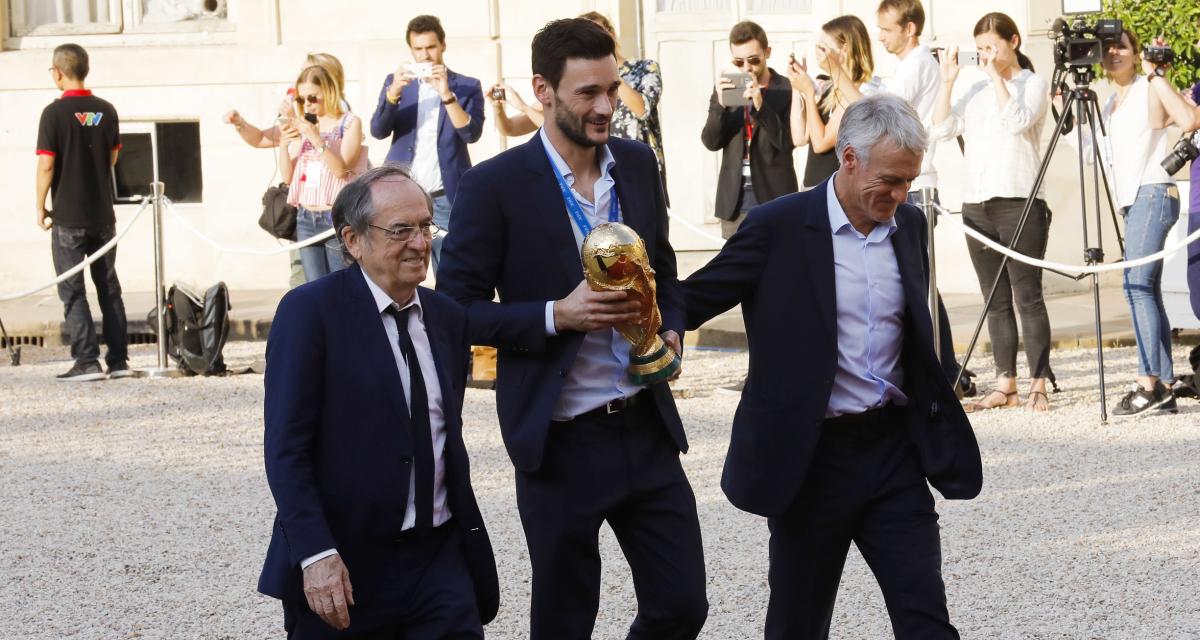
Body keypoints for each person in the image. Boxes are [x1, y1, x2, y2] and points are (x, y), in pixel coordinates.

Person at [438, 18, 708, 640]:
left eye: (611, 89)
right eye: (588, 93)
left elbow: (666, 270)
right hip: (557, 442)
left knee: (682, 606)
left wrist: (671, 329)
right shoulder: (492, 187)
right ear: (544, 90)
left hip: (646, 427)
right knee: (565, 619)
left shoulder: (637, 164)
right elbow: (454, 312)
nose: (606, 106)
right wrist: (556, 314)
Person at [683, 94, 981, 640]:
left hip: (894, 454)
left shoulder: (910, 225)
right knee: (798, 623)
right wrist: (629, 305)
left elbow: (921, 323)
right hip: (812, 461)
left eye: (909, 181)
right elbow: (697, 298)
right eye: (890, 179)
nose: (900, 194)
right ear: (848, 159)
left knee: (927, 620)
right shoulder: (777, 226)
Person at [259, 164, 500, 638]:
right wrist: (316, 554)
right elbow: (287, 449)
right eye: (401, 230)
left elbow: (440, 432)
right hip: (346, 566)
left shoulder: (447, 318)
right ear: (353, 241)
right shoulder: (311, 314)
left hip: (440, 562)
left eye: (425, 226)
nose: (420, 242)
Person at [932, 12, 1053, 412]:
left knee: (1028, 297)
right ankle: (1006, 383)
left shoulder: (1031, 84)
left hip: (1019, 201)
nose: (985, 55)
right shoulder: (975, 88)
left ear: (1013, 41)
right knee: (994, 299)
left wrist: (999, 77)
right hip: (976, 203)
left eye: (992, 47)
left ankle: (1038, 381)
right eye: (980, 48)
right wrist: (949, 79)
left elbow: (1017, 121)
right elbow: (942, 128)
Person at [1084, 30, 1199, 416]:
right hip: (1132, 200)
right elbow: (1092, 156)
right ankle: (1162, 384)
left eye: (1122, 46)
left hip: (1153, 191)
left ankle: (1149, 381)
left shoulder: (1146, 87)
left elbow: (1186, 120)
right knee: (1145, 288)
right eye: (1108, 47)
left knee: (1136, 287)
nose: (1113, 53)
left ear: (1136, 54)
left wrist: (1155, 73)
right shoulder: (1108, 103)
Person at [873, 0, 960, 383]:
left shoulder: (918, 64)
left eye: (888, 29)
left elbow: (883, 114)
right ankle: (939, 365)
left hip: (917, 187)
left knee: (917, 279)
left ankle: (942, 367)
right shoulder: (905, 67)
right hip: (909, 184)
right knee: (913, 278)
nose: (881, 37)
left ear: (909, 28)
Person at [35, 43, 130, 382]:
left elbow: (47, 165)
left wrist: (40, 206)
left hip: (68, 216)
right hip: (103, 214)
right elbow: (113, 158)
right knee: (109, 287)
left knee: (72, 288)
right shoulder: (106, 110)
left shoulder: (53, 114)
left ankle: (87, 360)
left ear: (58, 72)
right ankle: (119, 360)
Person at [369, 14, 485, 271]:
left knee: (448, 266)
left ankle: (445, 311)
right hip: (402, 191)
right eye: (418, 49)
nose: (425, 55)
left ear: (443, 45)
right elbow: (378, 131)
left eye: (431, 47)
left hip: (445, 193)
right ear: (410, 50)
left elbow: (471, 134)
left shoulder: (466, 86)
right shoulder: (396, 83)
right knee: (398, 263)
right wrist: (393, 93)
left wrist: (446, 94)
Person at [223, 52, 349, 289]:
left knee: (335, 284)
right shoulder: (302, 114)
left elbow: (343, 166)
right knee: (303, 280)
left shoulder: (342, 119)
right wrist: (240, 123)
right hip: (303, 211)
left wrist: (304, 124)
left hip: (332, 213)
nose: (300, 85)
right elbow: (261, 138)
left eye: (310, 77)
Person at [703, 20, 797, 239]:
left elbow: (786, 143)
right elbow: (711, 142)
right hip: (734, 198)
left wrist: (760, 106)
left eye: (754, 59)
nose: (746, 68)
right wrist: (720, 104)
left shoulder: (785, 88)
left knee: (779, 265)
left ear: (768, 52)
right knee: (737, 270)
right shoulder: (727, 89)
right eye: (738, 61)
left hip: (775, 194)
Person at [279, 64, 366, 282]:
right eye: (301, 99)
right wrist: (283, 144)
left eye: (312, 98)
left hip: (335, 217)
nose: (307, 104)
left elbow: (340, 169)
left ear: (328, 91)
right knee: (314, 288)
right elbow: (287, 177)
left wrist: (316, 139)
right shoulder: (303, 125)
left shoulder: (349, 123)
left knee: (342, 286)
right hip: (306, 217)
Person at [788, 15, 875, 190]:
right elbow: (799, 138)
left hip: (834, 190)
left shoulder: (859, 91)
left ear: (844, 49)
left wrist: (808, 92)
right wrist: (797, 86)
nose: (817, 52)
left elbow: (821, 143)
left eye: (823, 47)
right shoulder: (828, 86)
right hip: (811, 187)